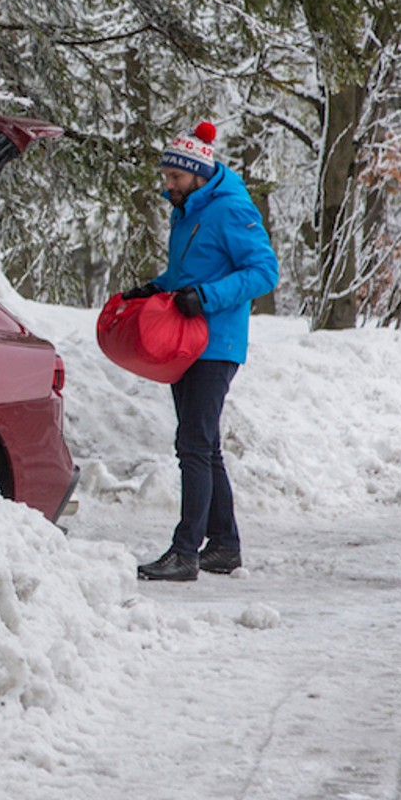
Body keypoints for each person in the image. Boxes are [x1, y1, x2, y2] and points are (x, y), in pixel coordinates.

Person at [122, 121, 279, 582]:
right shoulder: (187, 209)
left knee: (192, 444)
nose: (166, 185)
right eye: (165, 176)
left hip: (217, 343)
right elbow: (189, 272)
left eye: (174, 177)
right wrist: (156, 288)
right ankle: (225, 546)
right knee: (204, 446)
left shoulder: (231, 209)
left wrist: (206, 298)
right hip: (185, 341)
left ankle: (185, 552)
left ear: (196, 173)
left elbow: (264, 272)